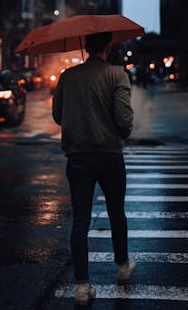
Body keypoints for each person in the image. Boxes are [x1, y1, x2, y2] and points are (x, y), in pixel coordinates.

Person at [52, 31, 136, 305]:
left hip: (77, 158)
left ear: (87, 47)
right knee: (116, 213)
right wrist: (120, 130)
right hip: (109, 155)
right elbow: (124, 119)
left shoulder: (67, 76)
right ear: (108, 48)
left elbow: (57, 115)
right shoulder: (117, 75)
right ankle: (122, 265)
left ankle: (82, 287)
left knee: (80, 221)